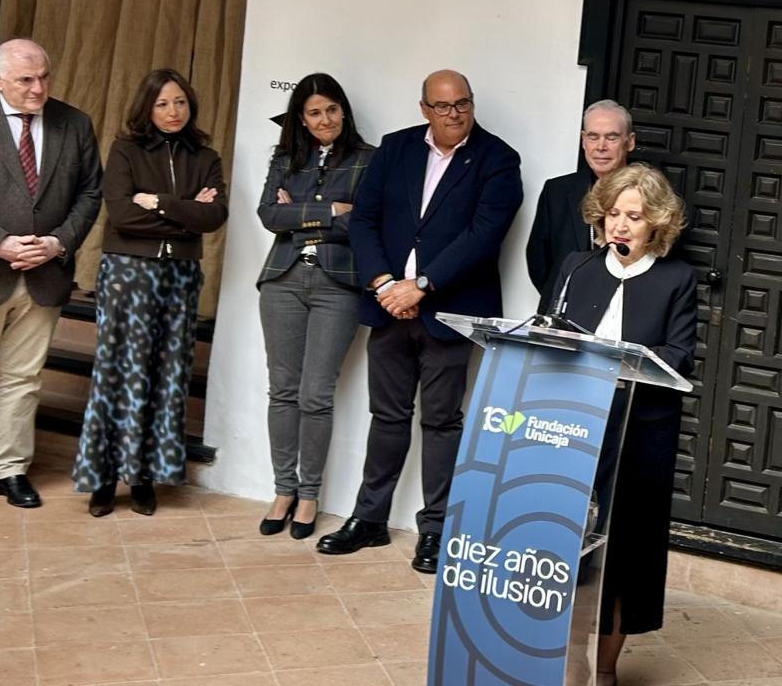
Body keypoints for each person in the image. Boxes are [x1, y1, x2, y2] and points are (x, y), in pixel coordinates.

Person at [316, 69, 522, 571]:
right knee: (385, 417)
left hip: (451, 312)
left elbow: (483, 234)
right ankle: (369, 521)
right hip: (388, 307)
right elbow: (363, 218)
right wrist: (385, 285)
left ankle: (436, 529)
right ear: (424, 108)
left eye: (463, 104)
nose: (454, 114)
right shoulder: (396, 147)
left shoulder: (498, 158)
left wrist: (422, 285)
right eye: (443, 106)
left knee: (442, 421)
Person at [549, 162, 696, 686]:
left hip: (639, 433)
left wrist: (622, 359)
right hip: (570, 426)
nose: (621, 226)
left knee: (624, 556)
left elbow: (679, 355)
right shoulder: (575, 267)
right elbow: (546, 335)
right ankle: (559, 658)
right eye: (614, 214)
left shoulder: (677, 278)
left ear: (655, 222)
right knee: (563, 543)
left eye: (634, 216)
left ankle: (606, 669)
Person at [0, 38, 102, 514]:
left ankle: (10, 470)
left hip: (44, 275)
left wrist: (58, 243)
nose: (39, 88)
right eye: (25, 80)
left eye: (44, 77)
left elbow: (89, 194)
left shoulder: (74, 123)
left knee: (24, 379)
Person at [71, 69, 227, 516]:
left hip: (179, 276)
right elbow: (121, 215)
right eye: (162, 104)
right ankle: (104, 477)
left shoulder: (206, 156)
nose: (172, 112)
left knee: (167, 376)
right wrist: (186, 211)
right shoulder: (126, 150)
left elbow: (214, 216)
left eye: (180, 102)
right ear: (147, 108)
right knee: (120, 373)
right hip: (128, 274)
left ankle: (143, 475)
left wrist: (158, 202)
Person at [255, 73, 374, 539]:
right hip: (282, 279)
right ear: (301, 120)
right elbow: (269, 216)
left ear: (343, 111)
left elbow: (365, 224)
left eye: (331, 110)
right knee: (282, 390)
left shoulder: (370, 160)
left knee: (315, 395)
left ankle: (309, 495)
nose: (324, 120)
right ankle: (283, 490)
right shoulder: (286, 159)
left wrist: (299, 213)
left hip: (337, 285)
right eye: (313, 112)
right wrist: (331, 212)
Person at [526, 99, 635, 311]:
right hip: (564, 312)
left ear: (629, 142)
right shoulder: (556, 190)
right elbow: (538, 261)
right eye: (593, 137)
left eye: (611, 137)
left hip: (624, 313)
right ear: (584, 141)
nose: (601, 147)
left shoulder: (650, 196)